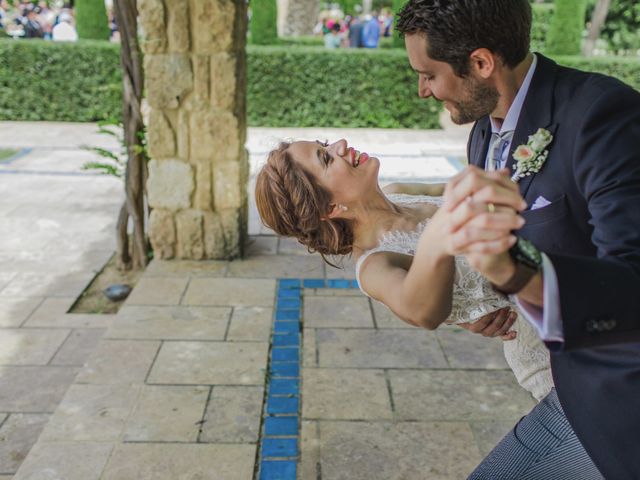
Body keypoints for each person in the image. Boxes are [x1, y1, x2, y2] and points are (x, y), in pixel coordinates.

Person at [396, 0, 640, 478]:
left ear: (482, 63)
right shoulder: (483, 135)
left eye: (428, 74)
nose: (423, 90)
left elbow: (632, 283)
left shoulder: (602, 115)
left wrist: (514, 268)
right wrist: (483, 299)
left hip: (619, 387)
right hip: (565, 382)